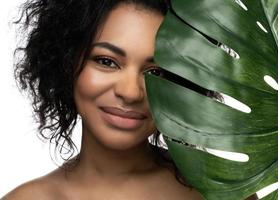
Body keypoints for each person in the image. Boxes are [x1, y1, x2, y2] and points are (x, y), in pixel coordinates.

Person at [2, 0, 204, 199]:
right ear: (66, 62)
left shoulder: (214, 187)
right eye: (106, 62)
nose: (131, 92)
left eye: (156, 72)